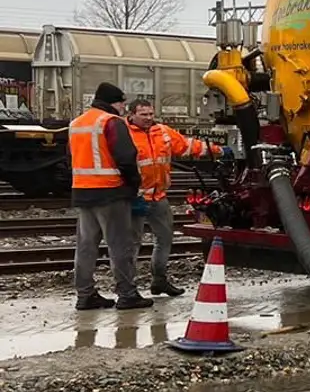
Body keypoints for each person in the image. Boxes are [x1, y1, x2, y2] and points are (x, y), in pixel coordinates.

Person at [126, 98, 226, 296]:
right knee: (131, 243)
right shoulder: (124, 135)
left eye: (150, 114)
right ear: (131, 115)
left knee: (164, 238)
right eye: (143, 114)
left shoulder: (162, 132)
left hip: (158, 196)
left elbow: (187, 146)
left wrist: (218, 150)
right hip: (134, 198)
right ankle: (128, 288)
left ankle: (159, 280)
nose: (148, 118)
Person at [69, 82, 150, 310]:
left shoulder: (76, 123)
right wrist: (134, 185)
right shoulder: (110, 122)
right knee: (120, 246)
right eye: (123, 103)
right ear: (115, 102)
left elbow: (71, 157)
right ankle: (127, 294)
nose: (124, 107)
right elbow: (126, 157)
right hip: (111, 193)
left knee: (86, 247)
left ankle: (85, 295)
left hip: (83, 192)